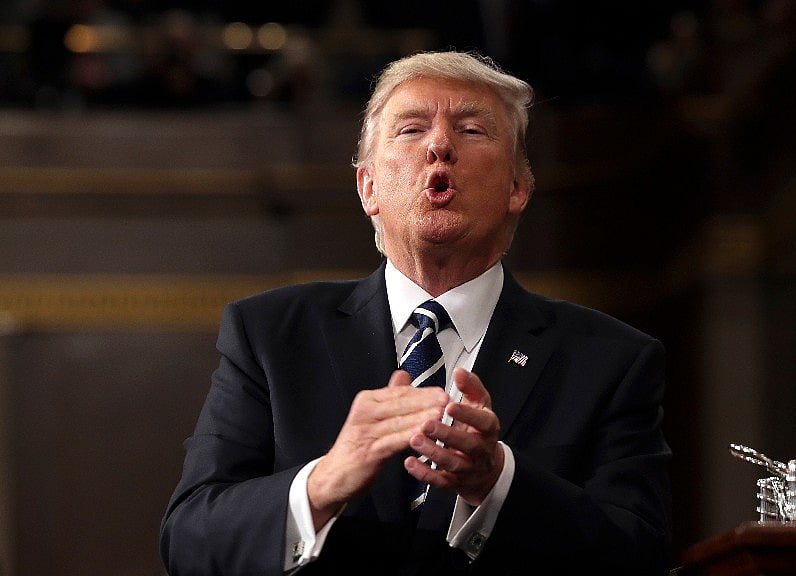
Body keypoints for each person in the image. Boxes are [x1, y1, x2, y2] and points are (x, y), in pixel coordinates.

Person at [159, 50, 672, 576]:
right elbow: (190, 542)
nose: (440, 145)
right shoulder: (269, 334)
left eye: (472, 130)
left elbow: (640, 556)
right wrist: (324, 482)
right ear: (369, 188)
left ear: (518, 187)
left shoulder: (611, 360)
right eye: (410, 130)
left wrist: (498, 483)